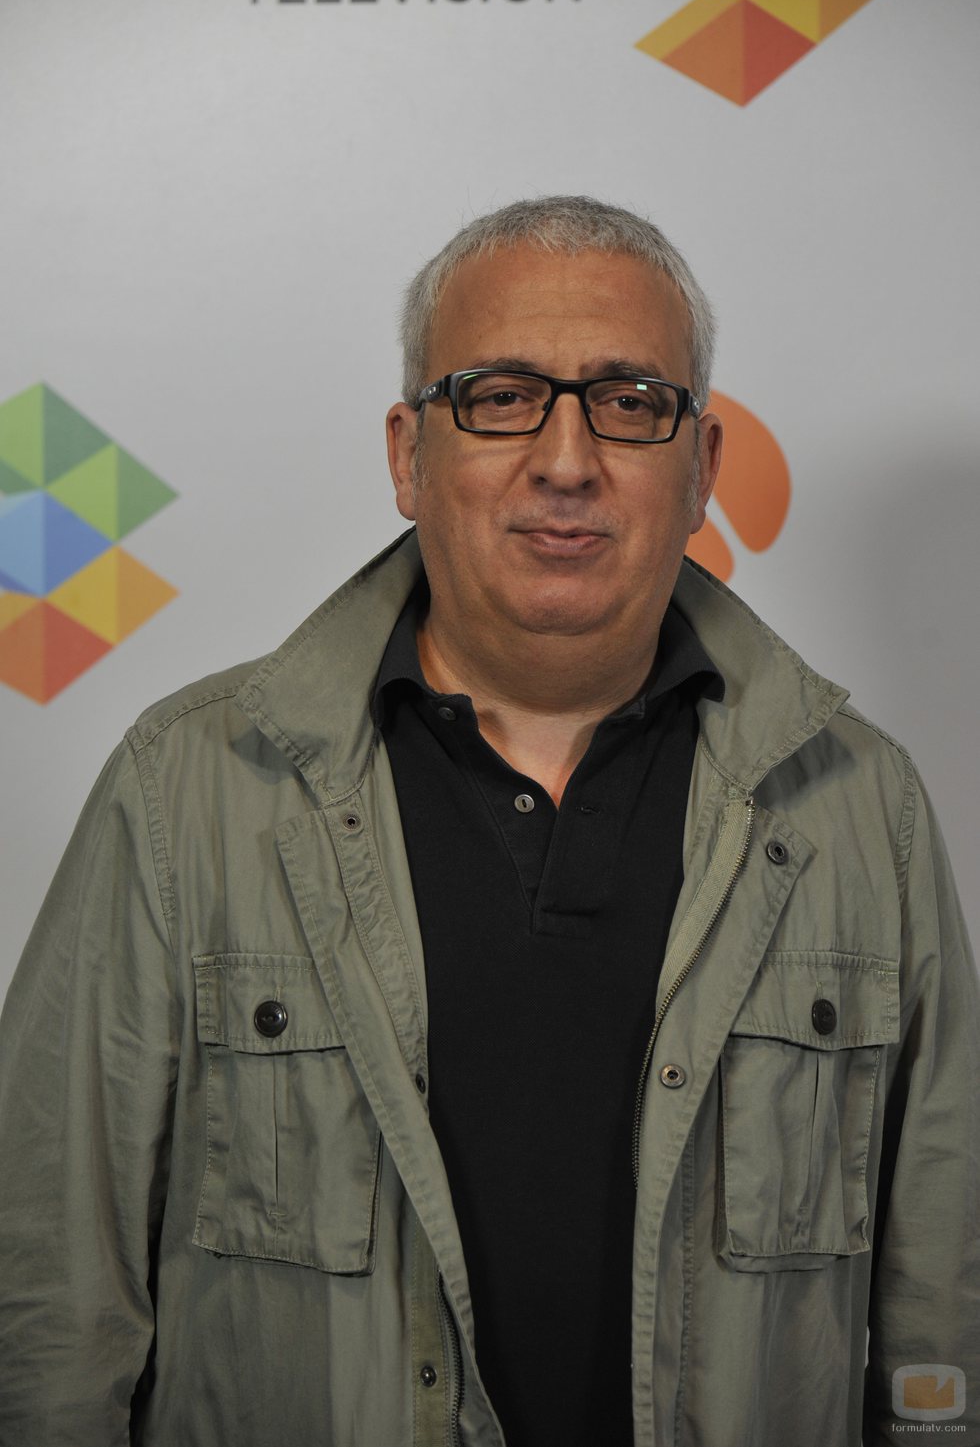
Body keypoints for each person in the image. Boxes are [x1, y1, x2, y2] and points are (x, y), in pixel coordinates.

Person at [0, 196, 977, 1447]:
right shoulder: (186, 791)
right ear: (408, 455)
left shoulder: (857, 808)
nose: (565, 459)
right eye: (501, 396)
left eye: (627, 401)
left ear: (701, 467)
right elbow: (49, 1309)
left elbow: (940, 1317)